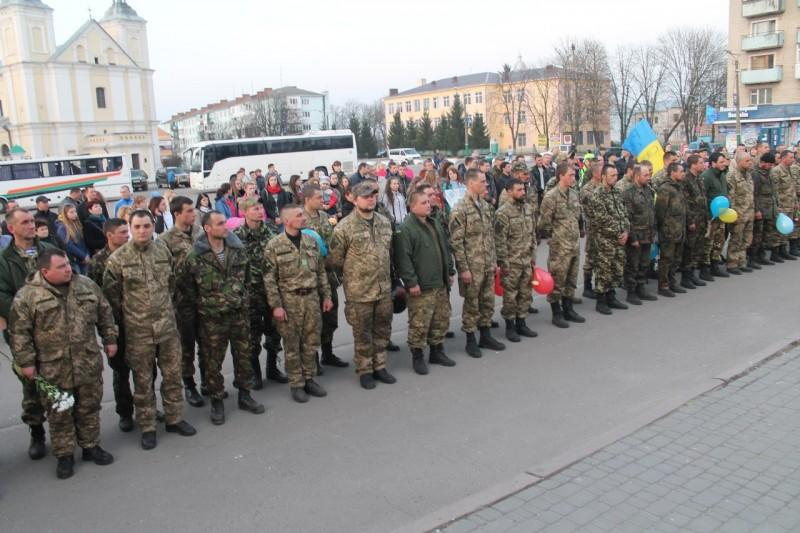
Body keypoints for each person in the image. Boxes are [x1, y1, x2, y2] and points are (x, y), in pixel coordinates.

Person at [9, 248, 118, 479]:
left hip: (87, 360)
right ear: (45, 271)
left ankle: (90, 446)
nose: (69, 268)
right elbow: (19, 333)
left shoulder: (85, 285)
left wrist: (110, 339)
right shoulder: (28, 296)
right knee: (60, 412)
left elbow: (105, 312)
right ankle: (64, 454)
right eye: (62, 266)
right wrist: (26, 363)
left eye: (68, 264)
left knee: (89, 406)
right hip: (53, 367)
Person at [103, 210, 197, 450]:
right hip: (138, 331)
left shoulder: (162, 251)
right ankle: (147, 426)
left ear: (152, 226)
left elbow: (172, 286)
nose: (142, 231)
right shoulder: (118, 259)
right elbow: (111, 298)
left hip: (167, 328)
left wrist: (166, 312)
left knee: (173, 375)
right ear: (130, 228)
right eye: (137, 227)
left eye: (146, 226)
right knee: (143, 383)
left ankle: (175, 418)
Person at [181, 210, 265, 424]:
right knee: (212, 362)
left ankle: (245, 395)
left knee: (243, 357)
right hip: (212, 319)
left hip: (238, 314)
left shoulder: (238, 250)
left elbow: (247, 280)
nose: (225, 227)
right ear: (207, 228)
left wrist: (241, 300)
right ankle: (217, 400)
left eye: (224, 223)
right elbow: (188, 291)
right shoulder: (195, 256)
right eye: (219, 224)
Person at [0, 208, 58, 459]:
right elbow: (1, 295)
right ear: (11, 228)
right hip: (23, 332)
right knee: (32, 385)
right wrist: (29, 312)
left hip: (55, 327)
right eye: (24, 222)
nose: (31, 225)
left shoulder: (48, 249)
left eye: (32, 221)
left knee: (60, 380)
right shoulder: (4, 260)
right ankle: (37, 432)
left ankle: (65, 432)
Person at [327, 180, 396, 390]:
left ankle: (380, 365)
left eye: (374, 195)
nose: (371, 199)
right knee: (362, 333)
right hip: (359, 292)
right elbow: (335, 261)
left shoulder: (384, 222)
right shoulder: (344, 228)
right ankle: (365, 370)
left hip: (383, 288)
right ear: (354, 199)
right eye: (366, 196)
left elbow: (390, 254)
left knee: (383, 330)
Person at [263, 204, 332, 402]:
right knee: (292, 344)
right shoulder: (274, 246)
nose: (303, 218)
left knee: (311, 341)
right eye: (299, 215)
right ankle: (296, 383)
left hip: (311, 298)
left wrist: (326, 295)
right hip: (289, 300)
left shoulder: (311, 241)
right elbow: (269, 279)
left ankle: (309, 378)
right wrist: (276, 305)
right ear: (287, 221)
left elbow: (320, 272)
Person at [394, 190, 456, 375]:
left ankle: (437, 351)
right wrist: (411, 282)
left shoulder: (433, 222)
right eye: (423, 202)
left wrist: (450, 270)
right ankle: (418, 356)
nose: (428, 205)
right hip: (422, 285)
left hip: (440, 281)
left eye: (429, 202)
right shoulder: (407, 228)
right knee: (420, 323)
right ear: (412, 207)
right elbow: (403, 259)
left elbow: (444, 248)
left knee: (440, 319)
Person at [449, 169, 505, 357]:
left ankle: (486, 335)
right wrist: (463, 269)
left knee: (487, 301)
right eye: (482, 181)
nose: (486, 184)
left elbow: (491, 236)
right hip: (472, 267)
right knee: (472, 304)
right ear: (471, 183)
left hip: (488, 263)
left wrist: (495, 260)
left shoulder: (486, 207)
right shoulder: (460, 210)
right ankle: (471, 340)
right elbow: (457, 243)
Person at [233, 197, 287, 389]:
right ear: (245, 212)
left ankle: (272, 369)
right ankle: (255, 373)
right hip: (250, 295)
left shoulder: (271, 232)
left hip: (270, 292)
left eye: (261, 208)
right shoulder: (236, 236)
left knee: (274, 333)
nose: (260, 211)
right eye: (255, 208)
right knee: (252, 337)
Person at [87, 218, 135, 431]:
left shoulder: (134, 254)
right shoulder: (98, 261)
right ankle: (125, 412)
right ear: (110, 235)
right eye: (123, 232)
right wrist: (106, 331)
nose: (127, 236)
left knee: (146, 369)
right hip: (115, 326)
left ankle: (146, 405)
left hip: (139, 322)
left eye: (127, 231)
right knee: (121, 372)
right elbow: (95, 297)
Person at [158, 196, 205, 406]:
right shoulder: (164, 240)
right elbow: (164, 273)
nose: (193, 214)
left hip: (205, 298)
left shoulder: (200, 232)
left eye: (193, 210)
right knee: (186, 346)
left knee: (208, 343)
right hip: (182, 301)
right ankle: (189, 385)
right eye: (188, 211)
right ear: (177, 213)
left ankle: (208, 382)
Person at [302, 184, 348, 369]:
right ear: (307, 199)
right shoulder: (299, 219)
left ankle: (327, 353)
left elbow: (331, 243)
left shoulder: (323, 217)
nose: (323, 201)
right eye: (319, 198)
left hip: (328, 276)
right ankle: (312, 359)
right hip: (310, 278)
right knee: (312, 320)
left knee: (330, 317)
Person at [538, 162, 586, 328]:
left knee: (571, 279)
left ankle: (568, 309)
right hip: (560, 246)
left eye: (574, 175)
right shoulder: (551, 197)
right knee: (558, 280)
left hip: (573, 245)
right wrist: (555, 235)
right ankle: (556, 312)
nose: (574, 178)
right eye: (570, 175)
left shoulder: (574, 194)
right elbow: (543, 222)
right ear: (561, 176)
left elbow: (577, 216)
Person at [495, 179, 538, 341]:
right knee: (511, 296)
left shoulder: (527, 209)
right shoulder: (502, 213)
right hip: (511, 263)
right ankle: (510, 326)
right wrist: (503, 263)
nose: (523, 192)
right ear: (509, 191)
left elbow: (532, 233)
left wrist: (533, 255)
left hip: (526, 260)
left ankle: (522, 322)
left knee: (525, 294)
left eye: (523, 189)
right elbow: (499, 240)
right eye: (519, 190)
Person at [586, 165, 629, 315]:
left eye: (616, 175)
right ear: (603, 176)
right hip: (605, 239)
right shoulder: (597, 195)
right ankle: (601, 301)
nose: (615, 178)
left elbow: (624, 213)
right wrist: (619, 233)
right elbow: (601, 219)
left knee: (616, 268)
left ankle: (612, 296)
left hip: (619, 238)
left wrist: (626, 231)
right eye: (612, 175)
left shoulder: (617, 192)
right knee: (604, 270)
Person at [621, 163, 658, 305]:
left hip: (648, 235)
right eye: (646, 175)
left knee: (644, 264)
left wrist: (653, 232)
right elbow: (627, 218)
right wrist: (633, 238)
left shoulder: (648, 190)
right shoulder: (628, 193)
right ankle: (632, 292)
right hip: (636, 236)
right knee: (633, 265)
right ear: (637, 176)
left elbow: (651, 212)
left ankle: (641, 288)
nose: (649, 177)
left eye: (649, 174)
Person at [655, 163, 689, 297]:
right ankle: (663, 285)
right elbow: (660, 212)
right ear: (672, 173)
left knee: (676, 258)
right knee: (666, 259)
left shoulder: (678, 187)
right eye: (681, 171)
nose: (683, 174)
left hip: (679, 229)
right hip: (668, 230)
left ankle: (672, 283)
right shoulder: (665, 189)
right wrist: (662, 229)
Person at [680, 155, 710, 288]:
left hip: (701, 218)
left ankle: (692, 275)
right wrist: (690, 220)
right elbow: (686, 202)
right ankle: (686, 277)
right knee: (689, 249)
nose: (704, 165)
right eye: (701, 163)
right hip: (692, 220)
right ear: (693, 164)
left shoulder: (699, 179)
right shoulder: (686, 179)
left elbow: (703, 199)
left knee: (698, 247)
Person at [701, 152, 732, 277]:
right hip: (711, 215)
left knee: (719, 241)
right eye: (721, 162)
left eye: (724, 161)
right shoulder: (706, 176)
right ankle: (705, 268)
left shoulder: (722, 175)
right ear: (713, 163)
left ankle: (715, 265)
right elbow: (703, 197)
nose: (724, 164)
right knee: (708, 243)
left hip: (722, 214)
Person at [726, 152, 756, 275]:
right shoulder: (732, 175)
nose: (750, 163)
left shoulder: (748, 175)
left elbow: (750, 194)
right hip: (739, 213)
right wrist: (734, 214)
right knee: (736, 239)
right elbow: (731, 197)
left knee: (747, 239)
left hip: (749, 211)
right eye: (747, 161)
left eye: (750, 160)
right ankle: (732, 263)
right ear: (739, 162)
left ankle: (742, 262)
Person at [751, 152, 779, 268]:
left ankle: (761, 255)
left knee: (766, 234)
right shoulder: (756, 174)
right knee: (757, 234)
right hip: (761, 207)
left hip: (770, 207)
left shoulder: (769, 173)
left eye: (772, 165)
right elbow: (755, 194)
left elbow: (773, 191)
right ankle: (752, 257)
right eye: (769, 164)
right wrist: (757, 210)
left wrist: (777, 206)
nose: (771, 166)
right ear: (762, 162)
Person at [579, 161, 603, 300]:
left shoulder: (603, 187)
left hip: (604, 228)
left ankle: (600, 285)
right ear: (595, 174)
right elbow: (585, 211)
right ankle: (587, 287)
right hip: (593, 228)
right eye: (601, 172)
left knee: (602, 257)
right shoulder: (587, 190)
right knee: (591, 258)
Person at [769, 150, 798, 262]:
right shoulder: (777, 171)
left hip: (790, 204)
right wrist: (777, 206)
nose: (793, 159)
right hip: (781, 205)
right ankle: (775, 253)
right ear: (783, 158)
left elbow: (792, 188)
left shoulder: (790, 170)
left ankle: (783, 250)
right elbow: (774, 190)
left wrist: (796, 202)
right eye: (790, 157)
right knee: (777, 230)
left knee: (787, 230)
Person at [56, 204, 89, 274]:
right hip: (74, 260)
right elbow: (69, 245)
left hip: (83, 257)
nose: (75, 214)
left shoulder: (76, 224)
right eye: (71, 212)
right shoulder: (62, 227)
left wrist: (86, 254)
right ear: (65, 214)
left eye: (75, 212)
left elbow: (82, 242)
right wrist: (83, 256)